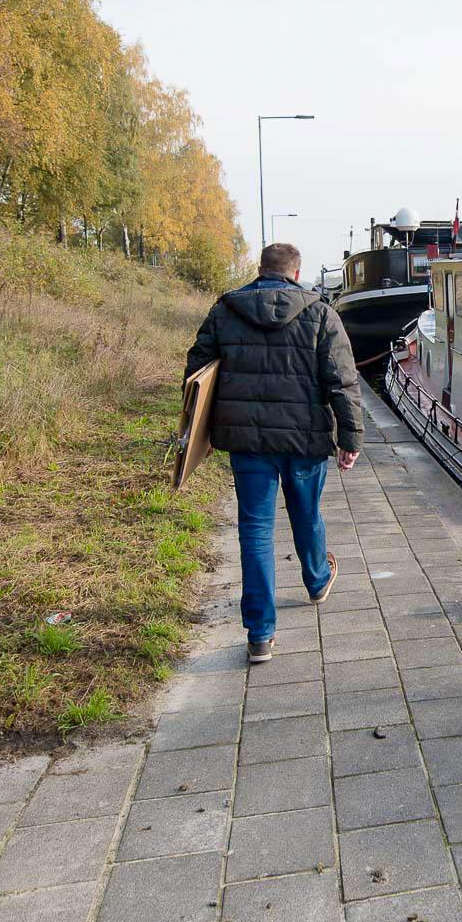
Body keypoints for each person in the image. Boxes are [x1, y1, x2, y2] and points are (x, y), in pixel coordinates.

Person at [185, 242, 362, 663]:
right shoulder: (320, 313)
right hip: (304, 439)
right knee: (306, 514)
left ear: (260, 269)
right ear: (296, 274)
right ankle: (317, 581)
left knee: (255, 530)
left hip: (247, 442)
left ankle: (260, 634)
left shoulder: (225, 310)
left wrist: (197, 435)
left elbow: (197, 373)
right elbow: (341, 380)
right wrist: (350, 438)